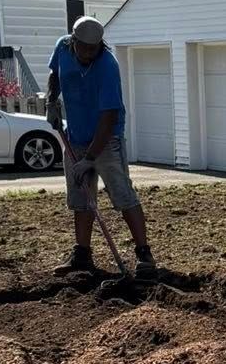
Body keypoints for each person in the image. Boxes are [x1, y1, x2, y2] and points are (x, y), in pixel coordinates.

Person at [46, 16, 158, 281]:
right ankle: (82, 256)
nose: (88, 53)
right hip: (75, 137)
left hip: (107, 140)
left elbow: (109, 116)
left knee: (122, 194)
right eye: (83, 47)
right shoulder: (62, 48)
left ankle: (144, 255)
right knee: (81, 198)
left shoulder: (107, 65)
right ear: (73, 41)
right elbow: (54, 75)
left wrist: (90, 159)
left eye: (93, 48)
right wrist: (52, 102)